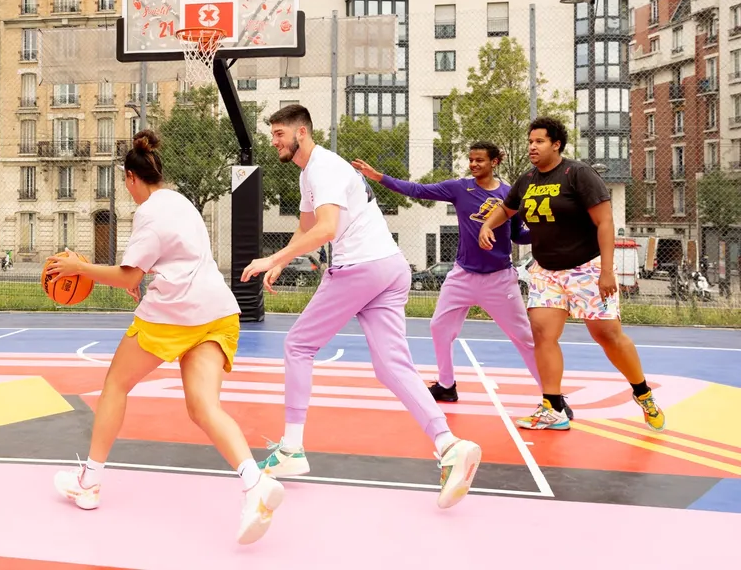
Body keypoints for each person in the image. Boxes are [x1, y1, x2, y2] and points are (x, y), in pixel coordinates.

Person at [46, 130, 284, 545]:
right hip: (218, 310)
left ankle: (89, 482)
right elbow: (174, 257)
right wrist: (145, 274)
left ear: (129, 179)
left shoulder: (149, 213)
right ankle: (255, 483)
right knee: (205, 407)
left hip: (175, 314)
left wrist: (78, 269)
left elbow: (128, 277)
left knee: (116, 385)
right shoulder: (180, 201)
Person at [241, 105, 480, 510]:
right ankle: (449, 445)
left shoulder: (324, 167)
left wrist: (268, 258)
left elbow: (328, 229)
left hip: (360, 269)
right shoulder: (310, 174)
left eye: (280, 133)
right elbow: (307, 226)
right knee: (391, 367)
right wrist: (282, 261)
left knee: (298, 346)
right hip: (390, 268)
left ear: (302, 132)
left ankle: (291, 450)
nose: (275, 141)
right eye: (273, 135)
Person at [478, 117, 664, 432]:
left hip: (587, 268)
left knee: (607, 336)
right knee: (542, 332)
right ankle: (553, 408)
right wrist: (487, 224)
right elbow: (507, 209)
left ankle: (643, 393)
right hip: (546, 272)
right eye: (530, 141)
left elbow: (605, 223)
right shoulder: (527, 180)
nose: (532, 147)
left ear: (556, 144)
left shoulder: (579, 175)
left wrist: (607, 271)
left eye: (538, 141)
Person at [353, 142, 555, 409]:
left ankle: (553, 398)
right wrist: (380, 177)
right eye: (471, 160)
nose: (473, 164)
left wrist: (546, 234)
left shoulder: (509, 195)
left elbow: (519, 234)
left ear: (495, 162)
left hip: (499, 279)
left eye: (479, 160)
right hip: (462, 276)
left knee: (525, 339)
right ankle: (447, 386)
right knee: (439, 327)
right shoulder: (460, 188)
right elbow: (418, 190)